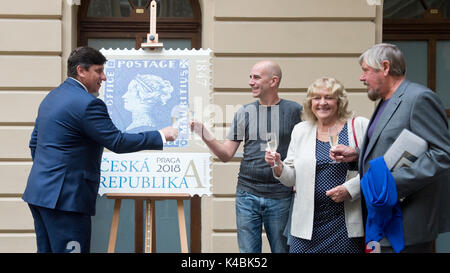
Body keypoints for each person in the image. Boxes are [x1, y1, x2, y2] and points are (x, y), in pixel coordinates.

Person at [22, 46, 178, 253]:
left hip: (40, 192)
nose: (103, 77)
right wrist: (160, 135)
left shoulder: (51, 97)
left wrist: (51, 172)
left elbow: (35, 144)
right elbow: (117, 141)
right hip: (66, 198)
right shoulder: (88, 104)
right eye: (98, 71)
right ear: (81, 71)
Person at [334, 43, 450, 253]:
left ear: (385, 67)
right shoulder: (386, 101)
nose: (362, 78)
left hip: (407, 223)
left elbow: (442, 154)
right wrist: (357, 156)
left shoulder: (419, 98)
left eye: (366, 70)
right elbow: (389, 149)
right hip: (381, 219)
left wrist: (391, 183)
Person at [190, 61, 302, 253]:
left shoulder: (294, 111)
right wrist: (204, 134)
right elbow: (226, 154)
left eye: (256, 77)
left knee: (282, 251)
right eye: (250, 77)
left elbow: (303, 151)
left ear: (273, 81)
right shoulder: (244, 112)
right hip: (247, 194)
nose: (250, 82)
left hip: (281, 196)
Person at [265, 77, 368, 253]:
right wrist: (278, 165)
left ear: (339, 102)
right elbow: (291, 179)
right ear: (310, 102)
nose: (322, 103)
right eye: (316, 98)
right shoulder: (301, 130)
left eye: (329, 97)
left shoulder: (359, 126)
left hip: (344, 223)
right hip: (306, 225)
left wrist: (350, 189)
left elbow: (376, 167)